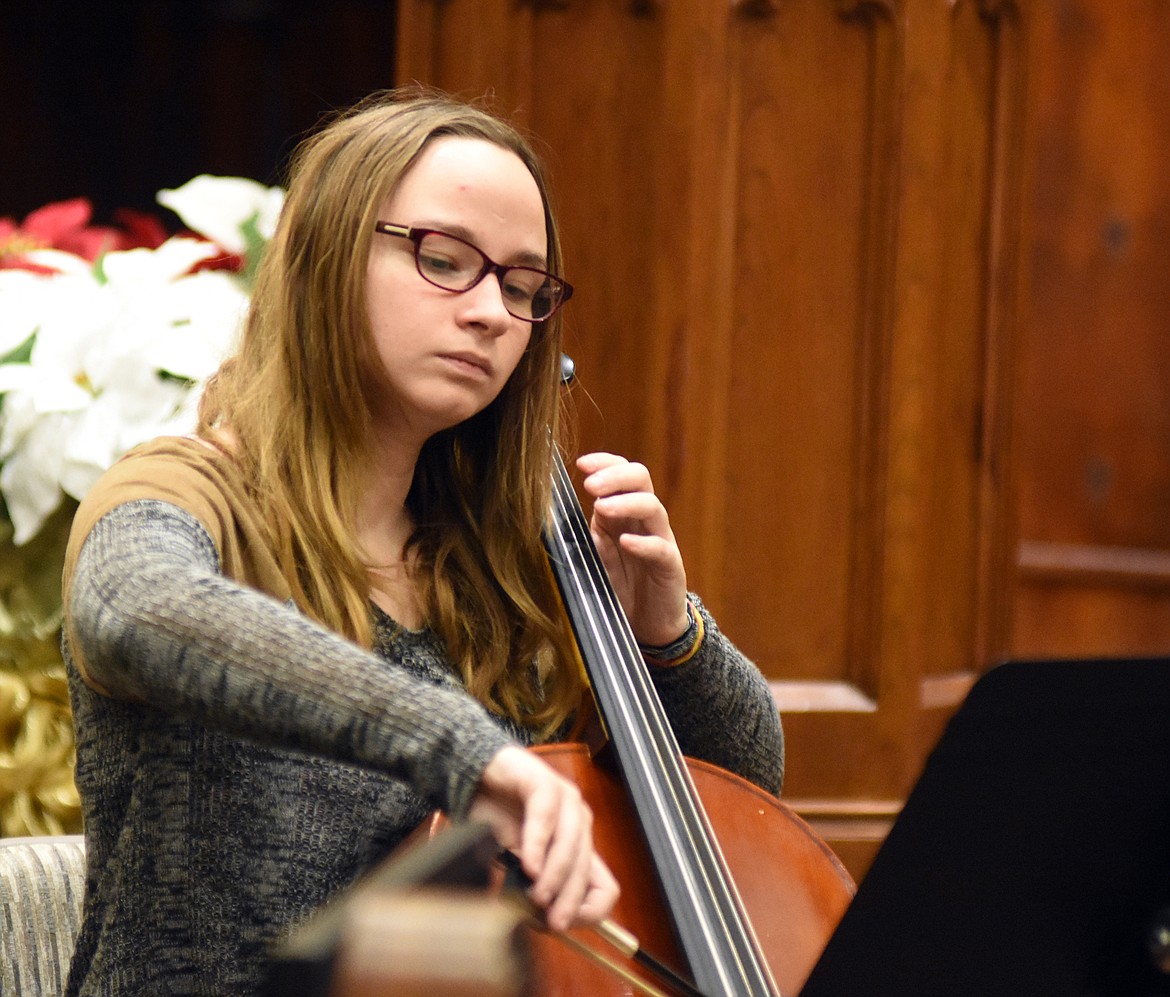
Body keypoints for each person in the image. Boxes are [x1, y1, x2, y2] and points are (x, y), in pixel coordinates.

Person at [60, 88, 785, 996]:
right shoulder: (189, 492)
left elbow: (742, 788)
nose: (491, 313)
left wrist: (668, 636)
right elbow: (133, 610)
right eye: (445, 261)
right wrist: (465, 747)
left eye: (524, 289)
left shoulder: (498, 566)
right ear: (325, 256)